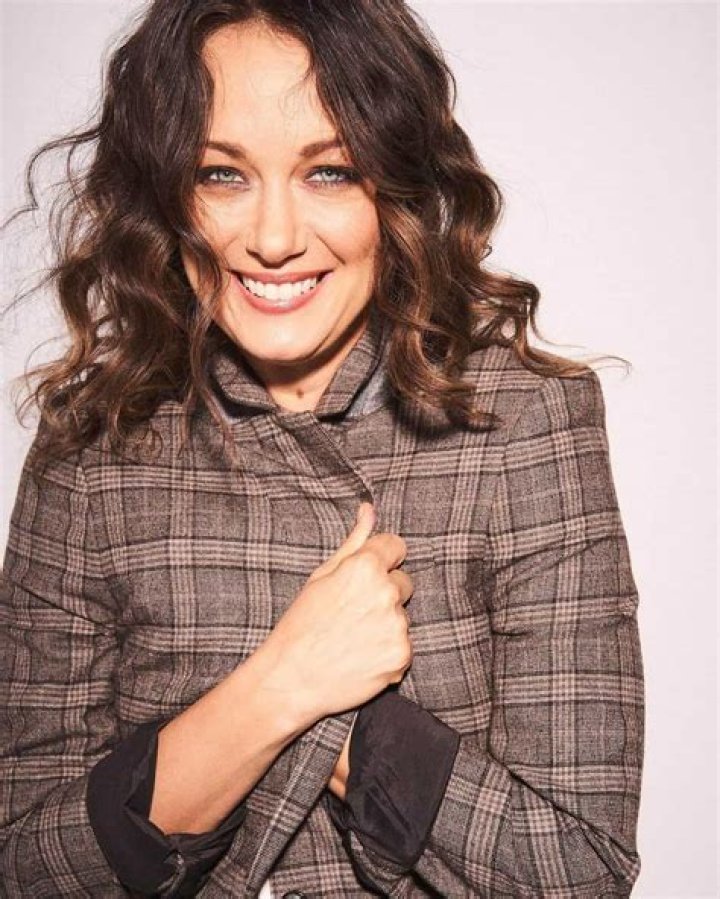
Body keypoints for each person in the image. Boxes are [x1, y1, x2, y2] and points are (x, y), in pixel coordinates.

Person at [0, 1, 645, 896]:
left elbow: (581, 871)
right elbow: (22, 864)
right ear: (167, 194)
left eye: (329, 172)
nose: (273, 238)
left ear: (395, 189)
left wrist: (365, 735)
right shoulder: (92, 447)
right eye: (222, 174)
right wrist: (283, 684)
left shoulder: (524, 421)